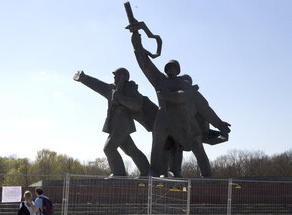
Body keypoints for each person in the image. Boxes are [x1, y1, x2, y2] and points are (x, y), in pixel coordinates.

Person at [128, 22, 231, 177]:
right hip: (163, 122)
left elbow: (205, 109)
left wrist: (220, 124)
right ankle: (154, 174)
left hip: (185, 124)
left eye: (172, 67)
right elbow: (145, 64)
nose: (169, 70)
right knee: (157, 147)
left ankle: (207, 178)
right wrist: (136, 40)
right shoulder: (160, 81)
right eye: (167, 68)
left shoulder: (188, 88)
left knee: (198, 149)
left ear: (178, 70)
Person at [73, 68, 153, 176]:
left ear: (123, 77)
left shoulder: (130, 89)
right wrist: (84, 78)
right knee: (131, 150)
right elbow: (97, 85)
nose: (114, 77)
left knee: (109, 148)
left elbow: (137, 105)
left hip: (123, 124)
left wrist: (120, 98)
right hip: (114, 125)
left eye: (117, 75)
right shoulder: (111, 89)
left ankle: (119, 174)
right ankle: (147, 171)